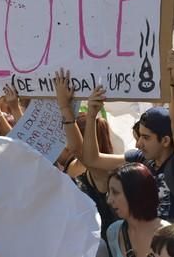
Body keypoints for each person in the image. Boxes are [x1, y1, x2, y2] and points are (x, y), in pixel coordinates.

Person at [82, 49, 174, 229]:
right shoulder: (141, 159)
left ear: (165, 141)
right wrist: (92, 116)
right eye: (140, 136)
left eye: (146, 138)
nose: (139, 143)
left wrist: (173, 82)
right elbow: (92, 159)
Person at [54, 69, 118, 242]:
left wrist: (66, 107)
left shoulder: (101, 173)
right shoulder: (90, 170)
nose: (64, 141)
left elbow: (79, 151)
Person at [106, 163, 170, 257]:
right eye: (109, 192)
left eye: (115, 192)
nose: (109, 200)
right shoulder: (113, 232)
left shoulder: (168, 235)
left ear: (135, 194)